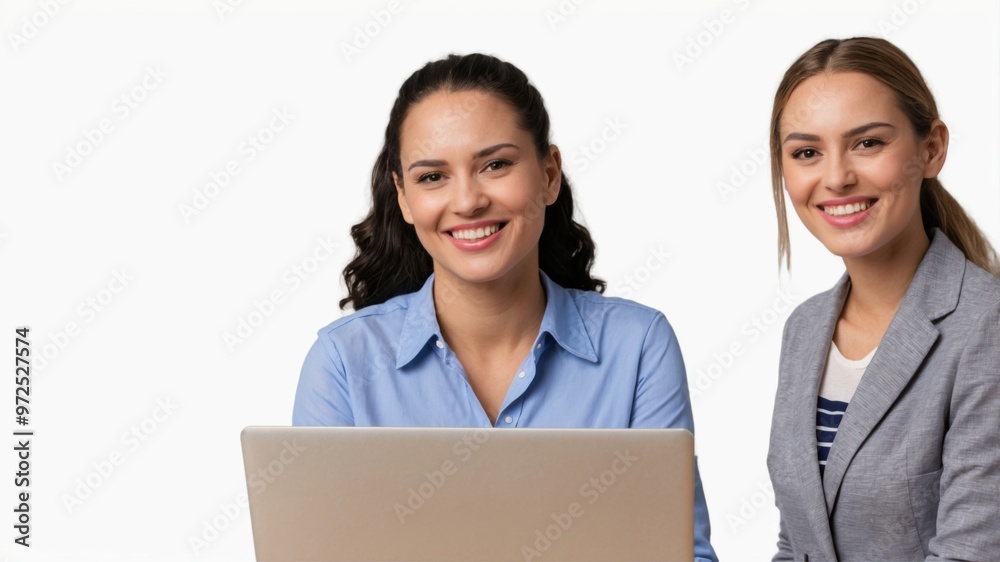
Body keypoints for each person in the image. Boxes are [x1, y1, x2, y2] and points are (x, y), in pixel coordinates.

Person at [292, 53, 717, 561]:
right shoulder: (342, 362)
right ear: (403, 197)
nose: (468, 200)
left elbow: (677, 554)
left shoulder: (637, 346)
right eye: (433, 177)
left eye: (495, 165)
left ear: (549, 174)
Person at [766, 37, 1000, 561]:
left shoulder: (987, 328)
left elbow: (973, 552)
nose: (836, 177)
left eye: (867, 143)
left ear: (931, 149)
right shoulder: (804, 331)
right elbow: (796, 545)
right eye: (806, 152)